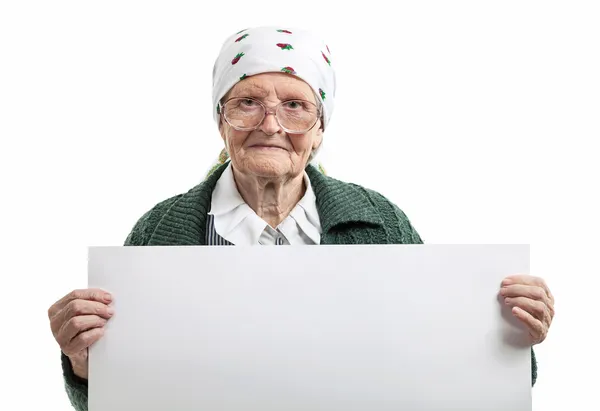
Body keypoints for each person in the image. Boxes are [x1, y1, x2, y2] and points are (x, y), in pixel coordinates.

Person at [48, 26, 555, 410]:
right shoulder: (160, 232)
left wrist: (509, 337)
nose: (271, 124)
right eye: (247, 103)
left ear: (319, 130)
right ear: (220, 122)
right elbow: (119, 400)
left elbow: (445, 372)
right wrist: (86, 366)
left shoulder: (381, 223)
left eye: (294, 106)